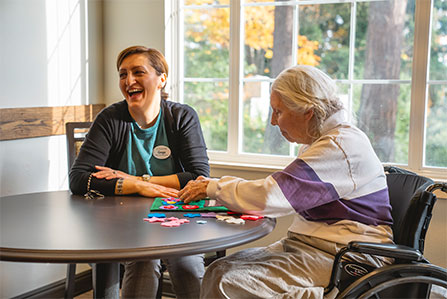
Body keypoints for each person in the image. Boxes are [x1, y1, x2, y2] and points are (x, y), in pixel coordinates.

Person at [179, 65, 394, 299]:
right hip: (314, 247)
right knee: (218, 271)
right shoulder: (322, 142)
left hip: (348, 259)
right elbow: (277, 190)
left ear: (307, 111)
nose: (273, 121)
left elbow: (272, 195)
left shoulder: (340, 147)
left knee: (227, 282)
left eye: (278, 111)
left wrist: (213, 187)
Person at [69, 46, 208, 299]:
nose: (128, 81)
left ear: (161, 79)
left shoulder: (182, 116)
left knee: (186, 264)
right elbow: (79, 179)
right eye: (123, 74)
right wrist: (137, 188)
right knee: (142, 260)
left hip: (177, 219)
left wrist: (136, 179)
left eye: (138, 72)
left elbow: (199, 176)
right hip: (121, 223)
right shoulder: (110, 119)